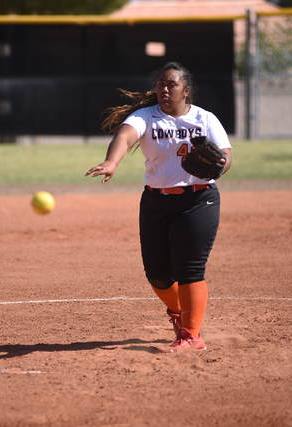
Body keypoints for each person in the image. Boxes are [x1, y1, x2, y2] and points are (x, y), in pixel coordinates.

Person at [85, 62, 232, 353]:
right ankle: (180, 314)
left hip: (198, 199)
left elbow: (225, 156)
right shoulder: (146, 117)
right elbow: (125, 136)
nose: (164, 89)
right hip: (155, 201)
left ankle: (192, 337)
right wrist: (112, 162)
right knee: (158, 275)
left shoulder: (205, 119)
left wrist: (219, 166)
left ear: (186, 91)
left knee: (190, 269)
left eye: (171, 85)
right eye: (161, 84)